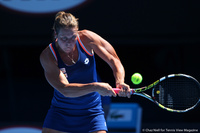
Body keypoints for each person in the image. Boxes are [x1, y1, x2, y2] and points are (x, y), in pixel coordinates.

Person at [40, 11, 130, 133]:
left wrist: (120, 82)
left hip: (92, 112)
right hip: (61, 112)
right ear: (56, 34)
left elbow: (114, 60)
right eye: (64, 38)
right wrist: (95, 87)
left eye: (73, 37)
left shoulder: (87, 39)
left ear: (77, 32)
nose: (69, 43)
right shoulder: (48, 56)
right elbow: (65, 89)